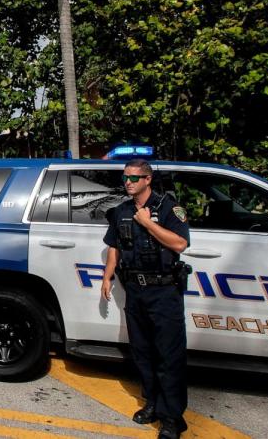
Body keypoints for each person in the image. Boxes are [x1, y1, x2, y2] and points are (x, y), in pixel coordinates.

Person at [101, 159, 191, 439]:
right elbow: (115, 245)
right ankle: (152, 403)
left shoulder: (168, 207)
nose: (128, 182)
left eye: (134, 178)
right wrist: (108, 275)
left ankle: (172, 418)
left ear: (148, 179)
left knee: (169, 356)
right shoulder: (122, 211)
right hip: (135, 292)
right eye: (125, 177)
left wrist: (148, 223)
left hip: (164, 291)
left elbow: (180, 243)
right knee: (142, 353)